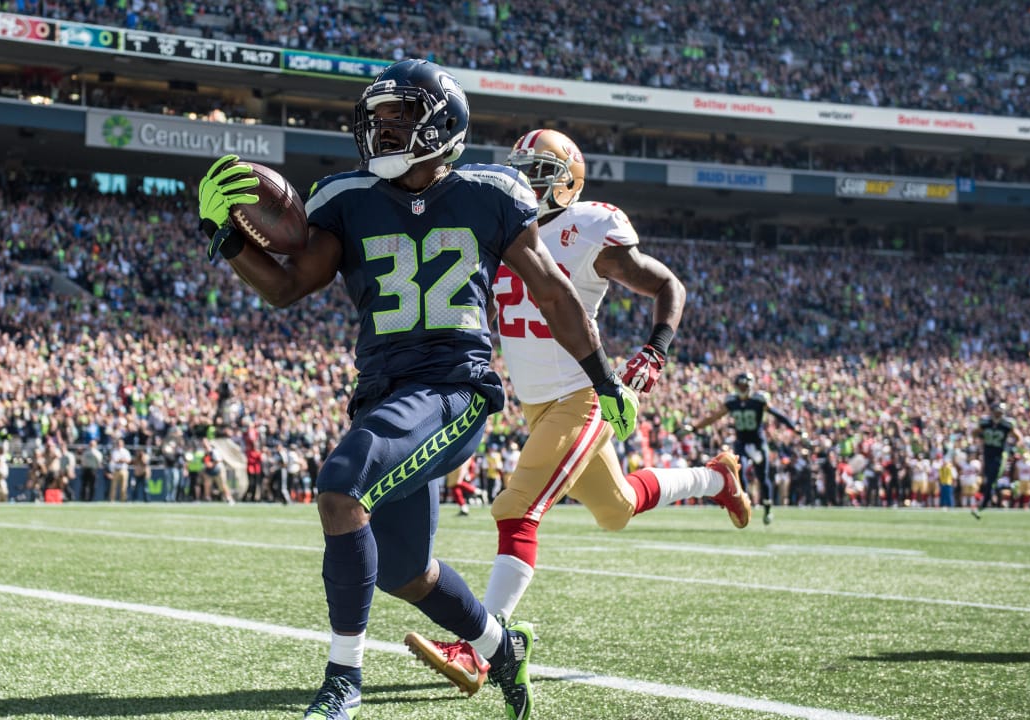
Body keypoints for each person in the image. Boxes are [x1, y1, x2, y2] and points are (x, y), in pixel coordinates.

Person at [197, 59, 639, 720]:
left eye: (398, 116)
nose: (382, 129)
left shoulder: (491, 192)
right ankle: (501, 646)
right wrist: (226, 238)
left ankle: (343, 679)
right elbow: (287, 287)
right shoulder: (347, 198)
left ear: (441, 123)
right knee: (405, 570)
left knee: (342, 487)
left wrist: (604, 379)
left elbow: (552, 292)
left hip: (455, 387)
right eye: (376, 118)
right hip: (384, 392)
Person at [402, 128, 751, 696]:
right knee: (615, 509)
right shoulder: (501, 229)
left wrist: (655, 349)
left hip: (584, 394)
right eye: (521, 169)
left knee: (516, 507)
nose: (526, 181)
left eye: (539, 172)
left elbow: (668, 285)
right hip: (537, 403)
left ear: (569, 183)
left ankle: (481, 647)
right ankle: (716, 477)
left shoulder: (586, 227)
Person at [691, 371, 803, 524]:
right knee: (739, 470)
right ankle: (744, 500)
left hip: (757, 442)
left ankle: (767, 508)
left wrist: (794, 428)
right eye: (740, 385)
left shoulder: (758, 400)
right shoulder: (732, 401)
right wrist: (695, 428)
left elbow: (778, 415)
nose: (742, 388)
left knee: (762, 476)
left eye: (745, 386)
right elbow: (714, 417)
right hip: (742, 442)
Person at [971, 401, 1021, 519]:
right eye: (997, 411)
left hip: (1000, 454)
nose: (999, 414)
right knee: (989, 479)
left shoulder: (1007, 424)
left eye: (1001, 412)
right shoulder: (985, 422)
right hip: (987, 454)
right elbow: (974, 433)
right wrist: (980, 439)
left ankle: (983, 504)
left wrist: (1014, 448)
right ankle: (1010, 487)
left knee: (992, 479)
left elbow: (1018, 437)